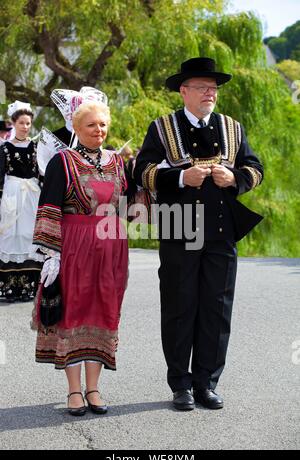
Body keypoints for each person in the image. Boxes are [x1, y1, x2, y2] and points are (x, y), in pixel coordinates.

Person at [134, 57, 264, 411]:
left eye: (214, 88)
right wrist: (179, 178)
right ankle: (181, 384)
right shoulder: (161, 128)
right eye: (203, 87)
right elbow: (142, 172)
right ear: (184, 91)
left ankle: (206, 382)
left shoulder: (233, 128)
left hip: (222, 232)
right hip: (179, 228)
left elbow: (256, 168)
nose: (211, 93)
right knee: (179, 305)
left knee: (217, 309)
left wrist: (234, 179)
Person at [31, 96, 135, 416]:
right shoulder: (62, 162)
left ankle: (94, 388)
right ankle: (74, 391)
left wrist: (147, 174)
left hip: (112, 249)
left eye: (103, 124)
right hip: (75, 247)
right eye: (91, 125)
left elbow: (130, 209)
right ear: (77, 128)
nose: (98, 130)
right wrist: (51, 254)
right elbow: (48, 207)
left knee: (105, 313)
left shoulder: (118, 163)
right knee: (73, 313)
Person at [0, 102, 43, 302]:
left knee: (28, 234)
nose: (25, 126)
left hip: (31, 193)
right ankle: (9, 287)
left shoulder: (36, 147)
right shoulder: (5, 148)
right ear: (14, 124)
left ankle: (28, 286)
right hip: (12, 192)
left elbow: (41, 173)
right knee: (10, 234)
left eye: (28, 123)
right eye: (22, 123)